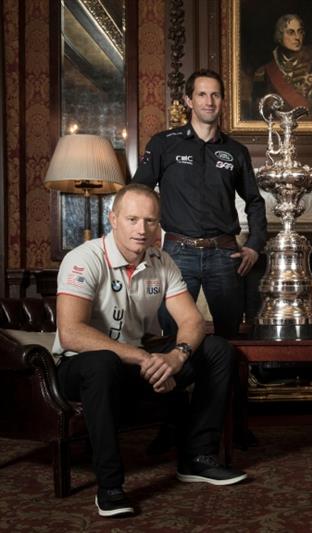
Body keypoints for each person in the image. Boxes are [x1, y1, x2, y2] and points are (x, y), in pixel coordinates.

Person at [52, 184, 247, 518]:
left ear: (159, 225)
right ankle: (110, 486)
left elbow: (192, 321)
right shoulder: (83, 258)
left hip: (137, 363)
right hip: (79, 368)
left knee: (217, 349)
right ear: (112, 219)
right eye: (132, 219)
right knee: (102, 362)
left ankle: (198, 458)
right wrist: (144, 358)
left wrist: (176, 357)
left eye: (151, 221)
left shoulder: (162, 260)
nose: (142, 230)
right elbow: (71, 333)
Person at [133, 68, 267, 340]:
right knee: (173, 334)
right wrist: (144, 239)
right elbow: (137, 193)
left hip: (224, 255)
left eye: (215, 95)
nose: (209, 101)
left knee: (229, 337)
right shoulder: (163, 144)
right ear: (188, 100)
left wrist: (254, 246)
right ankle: (180, 382)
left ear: (222, 101)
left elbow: (254, 200)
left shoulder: (235, 151)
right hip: (176, 253)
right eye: (202, 94)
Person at [250, 14, 312, 120]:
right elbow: (256, 115)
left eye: (300, 32)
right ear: (279, 36)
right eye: (291, 32)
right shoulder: (263, 73)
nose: (297, 37)